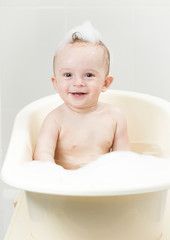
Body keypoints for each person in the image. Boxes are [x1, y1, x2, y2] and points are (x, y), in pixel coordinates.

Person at [33, 23, 130, 169]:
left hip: (103, 184)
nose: (78, 82)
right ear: (56, 83)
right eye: (68, 75)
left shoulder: (115, 117)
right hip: (66, 183)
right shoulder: (55, 120)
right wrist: (55, 177)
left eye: (89, 75)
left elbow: (124, 157)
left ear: (105, 83)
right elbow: (42, 154)